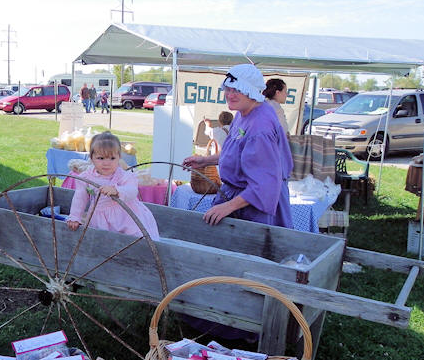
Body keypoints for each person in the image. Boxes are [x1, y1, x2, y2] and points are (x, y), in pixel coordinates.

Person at [183, 64, 293, 228]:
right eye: (228, 89)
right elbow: (238, 153)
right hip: (239, 198)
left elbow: (265, 183)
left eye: (237, 90)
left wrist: (228, 207)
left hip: (254, 207)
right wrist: (206, 161)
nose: (230, 95)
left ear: (251, 91)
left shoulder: (260, 129)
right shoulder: (244, 113)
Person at [66, 132, 160, 239]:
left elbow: (132, 191)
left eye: (112, 158)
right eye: (101, 158)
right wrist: (75, 217)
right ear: (91, 158)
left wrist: (117, 190)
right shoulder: (87, 177)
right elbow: (80, 197)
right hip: (99, 216)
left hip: (126, 216)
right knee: (102, 240)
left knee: (134, 239)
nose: (106, 163)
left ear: (119, 157)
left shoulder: (124, 176)